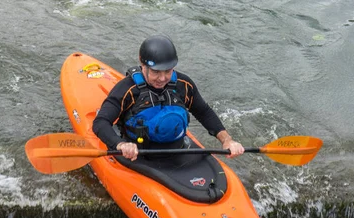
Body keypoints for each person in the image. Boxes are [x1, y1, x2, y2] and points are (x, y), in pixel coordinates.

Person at [92, 35, 245, 162]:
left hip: (179, 150)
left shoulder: (183, 85)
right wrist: (119, 144)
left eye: (168, 71)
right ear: (142, 63)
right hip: (139, 156)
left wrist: (226, 140)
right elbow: (100, 122)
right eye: (156, 72)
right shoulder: (127, 89)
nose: (162, 78)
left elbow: (204, 112)